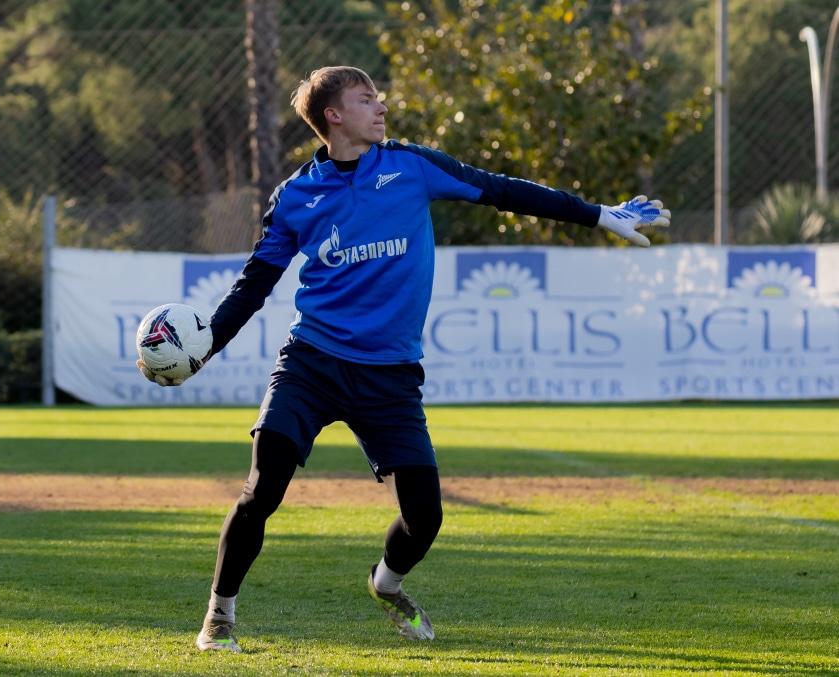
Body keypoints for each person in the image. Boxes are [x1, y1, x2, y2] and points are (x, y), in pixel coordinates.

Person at [137, 66, 670, 653]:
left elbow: (501, 188)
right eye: (366, 99)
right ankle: (219, 618)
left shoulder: (410, 166)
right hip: (311, 363)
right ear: (333, 116)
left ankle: (385, 585)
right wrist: (206, 343)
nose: (381, 107)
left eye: (378, 98)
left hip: (389, 376)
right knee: (263, 488)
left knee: (425, 519)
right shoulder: (296, 196)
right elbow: (254, 284)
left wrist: (597, 214)